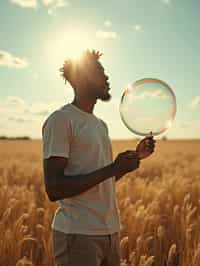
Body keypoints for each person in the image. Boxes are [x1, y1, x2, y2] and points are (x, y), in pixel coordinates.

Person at [42, 49, 155, 266]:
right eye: (99, 72)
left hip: (110, 232)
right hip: (78, 235)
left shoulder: (100, 125)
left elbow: (101, 181)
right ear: (80, 78)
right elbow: (54, 188)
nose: (107, 78)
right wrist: (113, 168)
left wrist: (129, 162)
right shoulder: (61, 120)